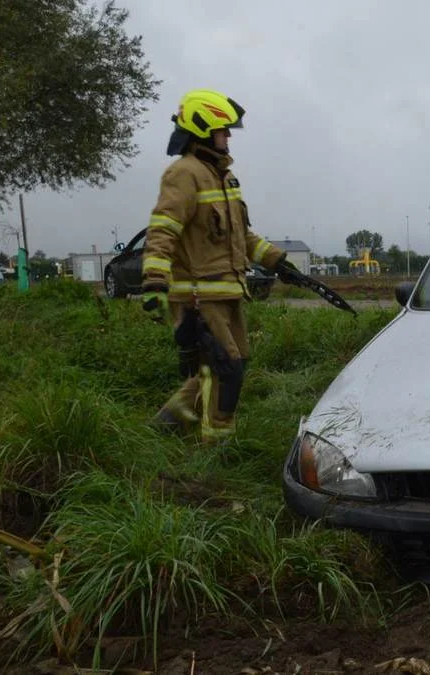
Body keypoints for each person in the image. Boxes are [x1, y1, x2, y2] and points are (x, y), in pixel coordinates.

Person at [140, 89, 288, 443]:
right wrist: (155, 282)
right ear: (204, 130)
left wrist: (279, 262)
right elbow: (163, 229)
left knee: (224, 366)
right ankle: (217, 448)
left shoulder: (223, 177)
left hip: (228, 290)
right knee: (226, 368)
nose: (229, 136)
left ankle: (168, 422)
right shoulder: (183, 174)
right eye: (224, 130)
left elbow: (242, 236)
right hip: (198, 294)